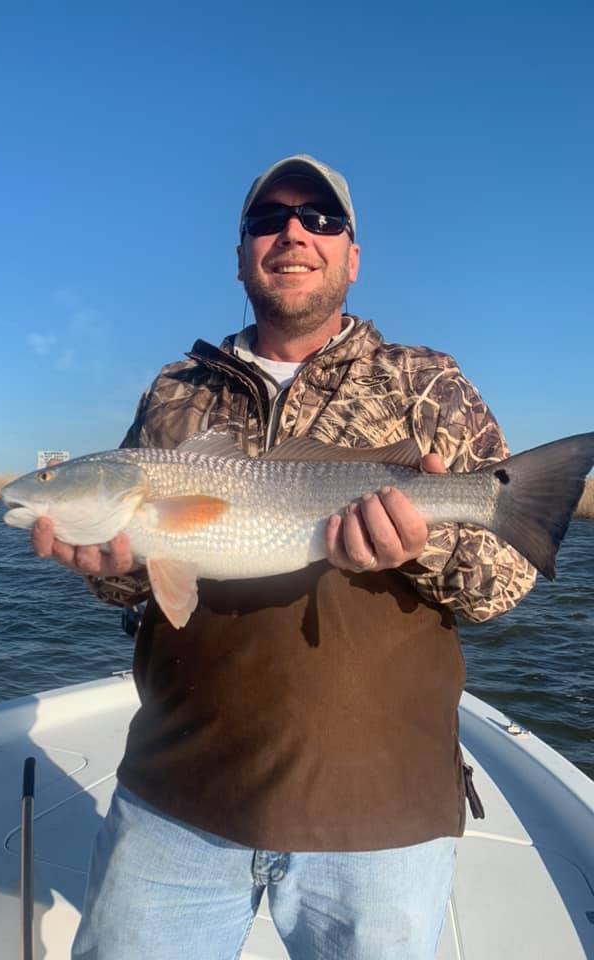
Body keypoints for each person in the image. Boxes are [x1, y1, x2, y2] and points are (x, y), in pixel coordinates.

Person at [33, 155, 536, 960]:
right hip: (177, 799)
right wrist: (105, 565)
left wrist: (423, 540)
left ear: (352, 255)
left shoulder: (425, 382)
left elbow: (502, 585)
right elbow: (150, 573)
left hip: (383, 818)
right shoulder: (175, 390)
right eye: (267, 220)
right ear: (239, 254)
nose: (294, 232)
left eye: (321, 219)